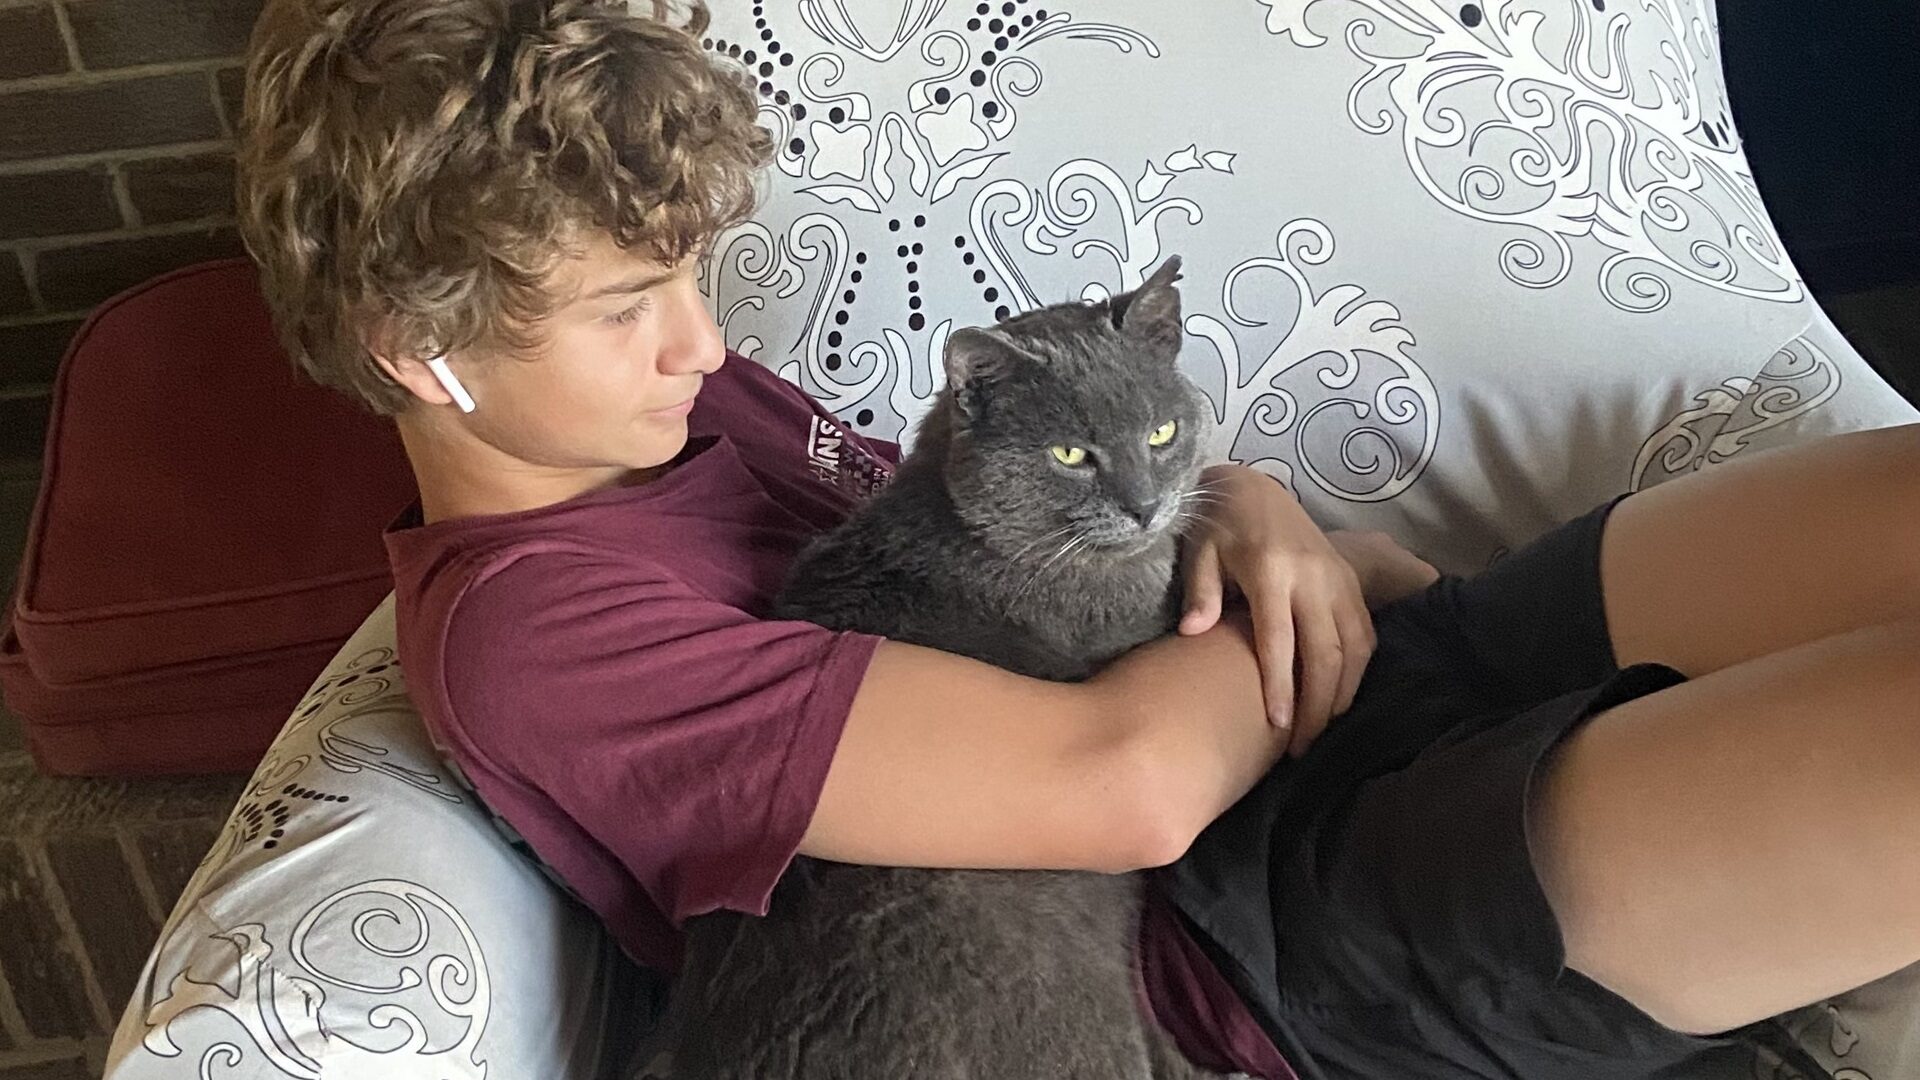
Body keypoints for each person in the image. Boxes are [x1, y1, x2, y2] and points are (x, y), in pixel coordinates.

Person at [234, 1, 1920, 1077]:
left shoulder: (670, 417)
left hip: (1312, 695)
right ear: (413, 343)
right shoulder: (538, 636)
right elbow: (1119, 791)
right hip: (1256, 946)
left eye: (688, 267)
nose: (699, 338)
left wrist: (1256, 509)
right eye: (625, 305)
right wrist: (1291, 564)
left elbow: (1020, 514)